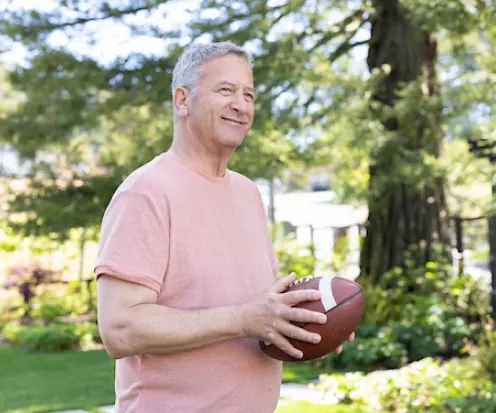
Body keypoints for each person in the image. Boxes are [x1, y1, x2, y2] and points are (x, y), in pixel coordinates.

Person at [94, 41, 352, 413]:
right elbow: (120, 328)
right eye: (226, 90)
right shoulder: (146, 193)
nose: (241, 105)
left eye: (249, 94)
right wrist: (240, 319)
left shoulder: (248, 193)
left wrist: (311, 327)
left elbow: (259, 317)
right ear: (182, 100)